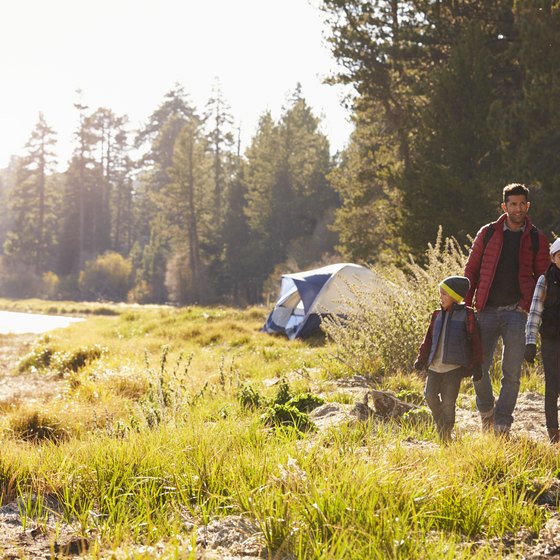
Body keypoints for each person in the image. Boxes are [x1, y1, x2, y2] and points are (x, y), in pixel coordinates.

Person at [464, 183, 549, 436]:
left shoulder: (536, 237)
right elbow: (471, 270)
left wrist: (528, 307)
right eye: (513, 204)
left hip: (517, 313)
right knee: (477, 368)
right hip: (486, 311)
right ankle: (487, 411)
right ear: (504, 206)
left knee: (511, 374)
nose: (518, 208)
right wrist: (466, 306)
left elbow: (542, 277)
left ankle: (502, 422)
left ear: (528, 206)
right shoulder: (487, 233)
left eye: (522, 204)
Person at [414, 276, 483, 442]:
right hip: (434, 367)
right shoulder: (436, 315)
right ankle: (442, 424)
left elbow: (475, 342)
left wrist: (477, 366)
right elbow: (428, 339)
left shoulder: (467, 315)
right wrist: (421, 358)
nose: (441, 297)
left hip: (453, 369)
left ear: (454, 296)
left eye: (444, 294)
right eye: (440, 293)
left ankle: (445, 436)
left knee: (448, 402)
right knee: (429, 395)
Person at [524, 237, 560, 443]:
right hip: (550, 340)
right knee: (552, 386)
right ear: (552, 257)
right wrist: (530, 341)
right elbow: (535, 312)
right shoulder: (544, 280)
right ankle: (553, 431)